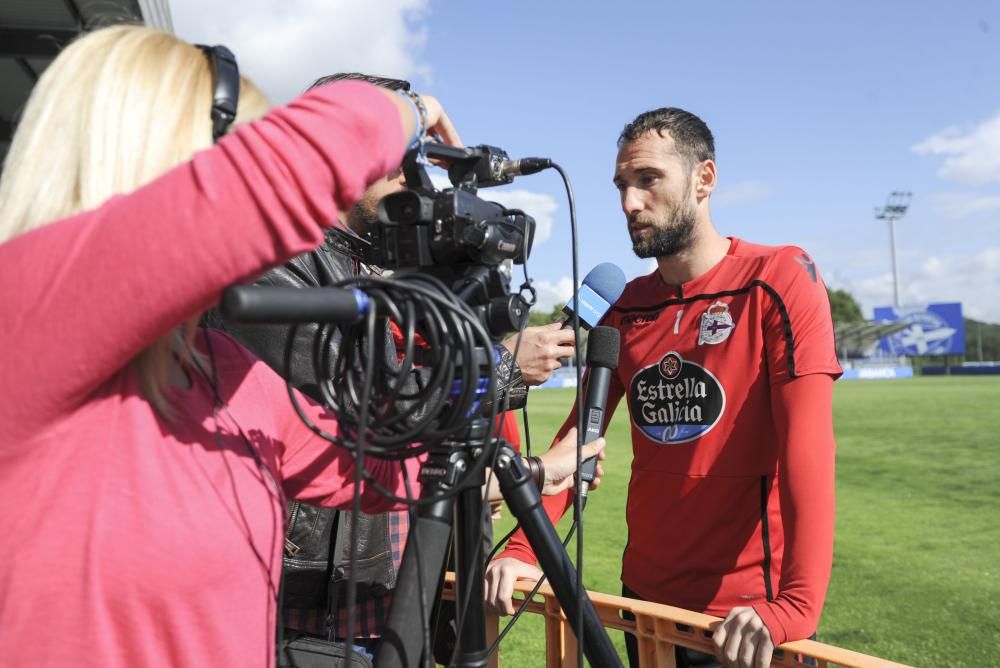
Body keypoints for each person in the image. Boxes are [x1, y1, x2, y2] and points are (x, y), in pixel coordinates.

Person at [0, 26, 600, 667]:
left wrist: (534, 471)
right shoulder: (25, 321)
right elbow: (297, 165)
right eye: (228, 155)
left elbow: (387, 472)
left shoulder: (224, 374)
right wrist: (412, 111)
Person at [203, 70, 579, 654]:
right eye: (397, 156)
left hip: (377, 596)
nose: (414, 179)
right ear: (340, 153)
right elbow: (355, 402)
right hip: (295, 606)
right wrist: (501, 367)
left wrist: (526, 471)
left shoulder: (370, 271)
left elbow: (404, 464)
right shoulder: (268, 260)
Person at [485, 107, 841, 668]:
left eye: (648, 179)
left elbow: (809, 452)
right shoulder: (624, 306)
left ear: (705, 179)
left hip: (744, 620)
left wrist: (795, 604)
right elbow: (580, 440)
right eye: (622, 185)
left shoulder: (779, 279)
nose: (630, 202)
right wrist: (526, 548)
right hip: (643, 604)